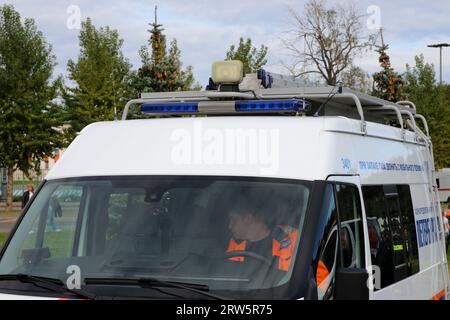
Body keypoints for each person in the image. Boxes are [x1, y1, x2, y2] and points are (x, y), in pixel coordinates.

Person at [224, 193, 329, 287]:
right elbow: (224, 279)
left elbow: (322, 281)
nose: (229, 226)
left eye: (233, 219)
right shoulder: (235, 244)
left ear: (248, 219)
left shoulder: (293, 240)